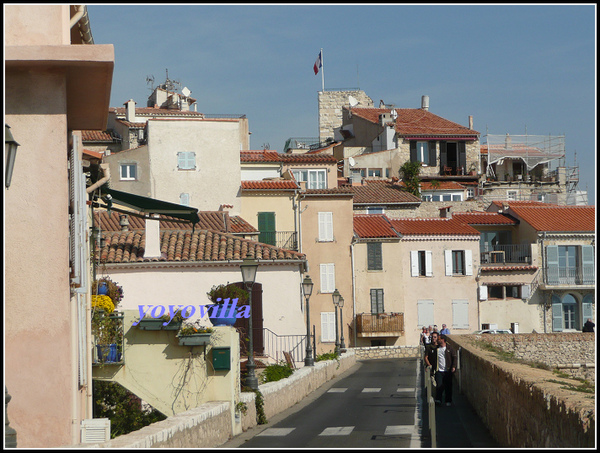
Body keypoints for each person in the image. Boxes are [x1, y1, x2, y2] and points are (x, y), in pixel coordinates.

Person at [433, 334, 457, 406]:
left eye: (440, 339)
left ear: (443, 340)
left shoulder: (449, 349)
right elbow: (433, 359)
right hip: (439, 370)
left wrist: (453, 366)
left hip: (448, 371)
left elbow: (454, 357)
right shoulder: (436, 349)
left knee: (448, 386)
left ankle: (448, 400)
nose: (438, 340)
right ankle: (438, 400)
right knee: (439, 385)